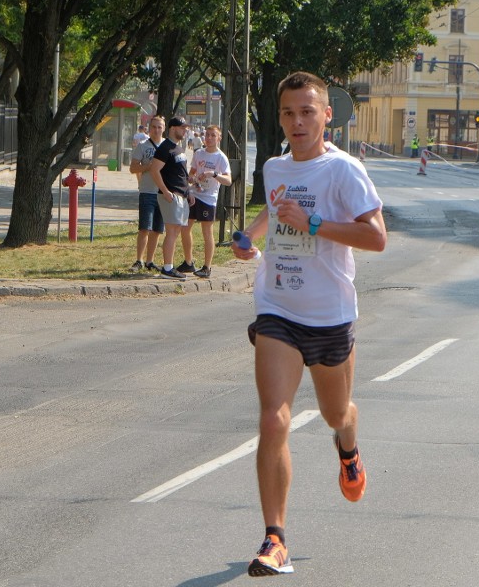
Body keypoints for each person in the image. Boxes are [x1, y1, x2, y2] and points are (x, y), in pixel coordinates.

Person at [232, 71, 386, 577]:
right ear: (280, 119)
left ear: (326, 115)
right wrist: (248, 236)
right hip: (278, 307)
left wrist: (315, 225)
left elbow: (376, 237)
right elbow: (276, 213)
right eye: (288, 113)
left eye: (306, 112)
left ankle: (348, 444)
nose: (297, 122)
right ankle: (275, 539)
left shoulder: (344, 171)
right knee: (273, 417)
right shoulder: (275, 168)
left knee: (334, 413)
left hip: (330, 316)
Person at [180, 125, 231, 278]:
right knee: (185, 227)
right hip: (195, 194)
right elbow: (192, 172)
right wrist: (191, 179)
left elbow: (228, 180)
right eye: (207, 135)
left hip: (209, 199)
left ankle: (207, 267)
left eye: (212, 135)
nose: (209, 138)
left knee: (206, 231)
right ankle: (188, 262)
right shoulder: (198, 153)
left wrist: (213, 174)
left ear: (218, 138)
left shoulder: (221, 157)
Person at [150, 116, 194, 280]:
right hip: (171, 196)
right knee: (172, 232)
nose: (185, 130)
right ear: (173, 128)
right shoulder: (165, 148)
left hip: (182, 195)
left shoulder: (179, 148)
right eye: (182, 127)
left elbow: (181, 174)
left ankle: (170, 266)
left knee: (176, 231)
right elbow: (155, 170)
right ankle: (167, 268)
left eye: (185, 128)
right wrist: (165, 191)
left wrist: (189, 191)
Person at [128, 116, 166, 273]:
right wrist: (148, 166)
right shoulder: (142, 146)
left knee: (157, 229)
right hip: (147, 191)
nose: (156, 130)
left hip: (163, 192)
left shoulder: (168, 146)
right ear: (149, 128)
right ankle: (139, 260)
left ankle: (150, 260)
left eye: (159, 127)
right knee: (145, 227)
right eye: (154, 127)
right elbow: (133, 168)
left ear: (164, 128)